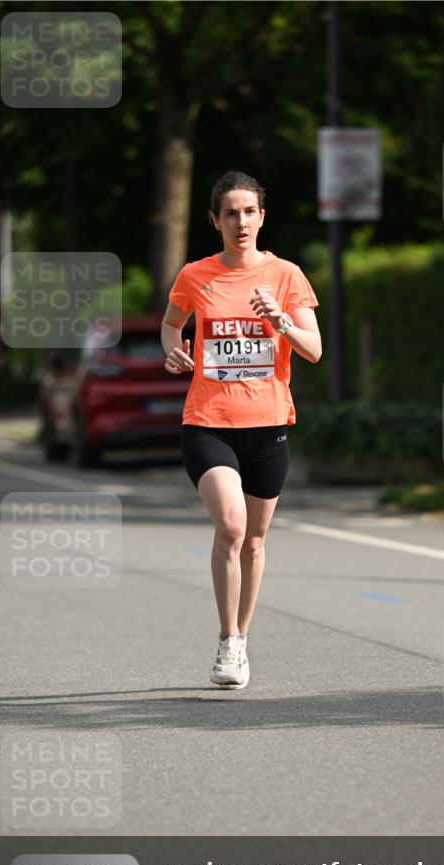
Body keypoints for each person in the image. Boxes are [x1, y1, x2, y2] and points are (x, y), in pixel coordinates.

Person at [160, 170, 322, 690]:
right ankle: (227, 640)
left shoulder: (286, 275)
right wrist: (173, 351)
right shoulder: (196, 275)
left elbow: (314, 350)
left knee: (253, 542)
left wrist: (281, 321)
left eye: (249, 211)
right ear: (215, 221)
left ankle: (243, 638)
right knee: (231, 526)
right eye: (230, 213)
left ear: (262, 217)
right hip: (207, 423)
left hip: (268, 426)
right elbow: (171, 323)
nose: (241, 221)